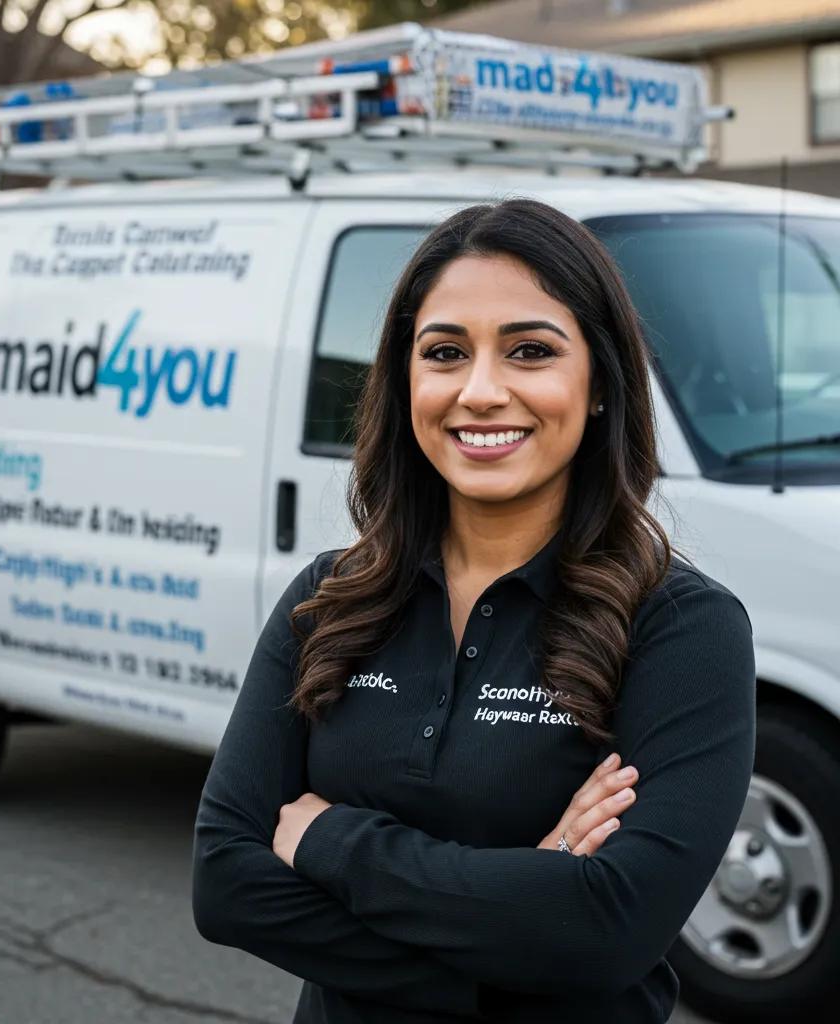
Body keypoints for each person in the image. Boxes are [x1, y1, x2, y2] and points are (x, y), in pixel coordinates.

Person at [191, 198, 756, 1023]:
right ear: (406, 381)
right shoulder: (328, 601)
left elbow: (609, 929)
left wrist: (327, 840)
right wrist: (525, 915)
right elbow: (226, 884)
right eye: (445, 353)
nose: (481, 391)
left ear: (599, 383)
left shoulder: (682, 630)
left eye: (530, 351)